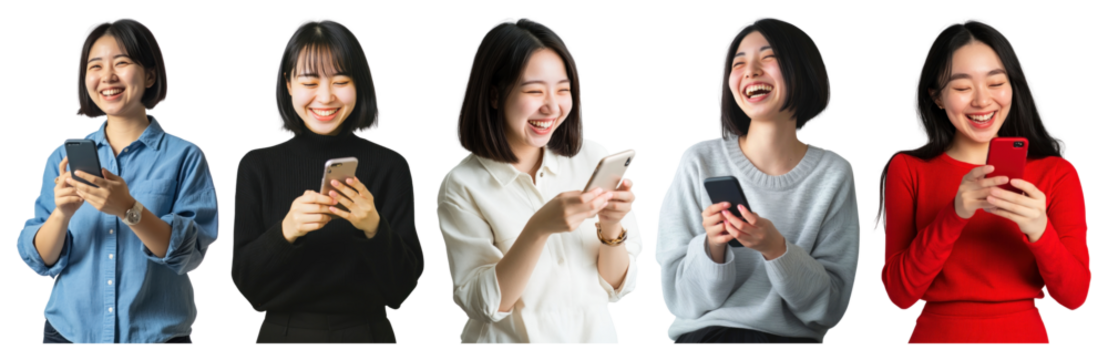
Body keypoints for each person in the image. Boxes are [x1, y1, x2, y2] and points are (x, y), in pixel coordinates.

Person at [873, 15, 1089, 346]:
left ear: (1013, 87)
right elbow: (900, 296)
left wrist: (1039, 229)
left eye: (996, 83)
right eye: (961, 87)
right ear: (937, 97)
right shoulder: (909, 169)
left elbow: (1074, 298)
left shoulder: (1056, 173)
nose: (981, 100)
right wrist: (955, 213)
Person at [436, 15, 643, 346]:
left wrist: (611, 225)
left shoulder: (590, 157)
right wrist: (539, 229)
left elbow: (617, 286)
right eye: (534, 91)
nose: (552, 107)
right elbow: (483, 304)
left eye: (563, 90)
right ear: (494, 95)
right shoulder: (462, 185)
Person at [657, 16, 860, 346]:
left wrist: (776, 250)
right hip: (708, 338)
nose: (751, 71)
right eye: (739, 63)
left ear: (802, 70)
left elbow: (830, 308)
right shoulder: (699, 160)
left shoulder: (834, 172)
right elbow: (680, 300)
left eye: (769, 58)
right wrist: (713, 248)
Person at [17, 15, 218, 346]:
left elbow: (188, 254)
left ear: (150, 74)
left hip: (156, 339)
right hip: (68, 336)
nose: (107, 76)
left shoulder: (185, 156)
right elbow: (40, 260)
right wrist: (62, 214)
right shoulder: (62, 157)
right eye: (95, 66)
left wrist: (128, 208)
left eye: (121, 62)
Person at [230, 15, 424, 346]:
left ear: (359, 84)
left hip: (368, 334)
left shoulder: (390, 166)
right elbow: (246, 285)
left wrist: (374, 227)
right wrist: (287, 231)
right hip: (284, 334)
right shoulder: (257, 165)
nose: (325, 97)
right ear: (289, 85)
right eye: (309, 82)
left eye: (340, 80)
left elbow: (402, 289)